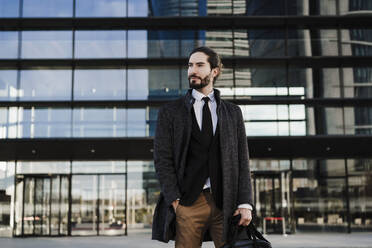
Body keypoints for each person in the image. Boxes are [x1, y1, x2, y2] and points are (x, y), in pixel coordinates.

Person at [152, 46, 253, 248]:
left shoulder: (233, 112)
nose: (192, 71)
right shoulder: (170, 112)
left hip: (227, 204)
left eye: (199, 65)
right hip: (188, 203)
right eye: (190, 65)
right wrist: (174, 200)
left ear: (214, 71)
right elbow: (162, 159)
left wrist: (245, 203)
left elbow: (242, 160)